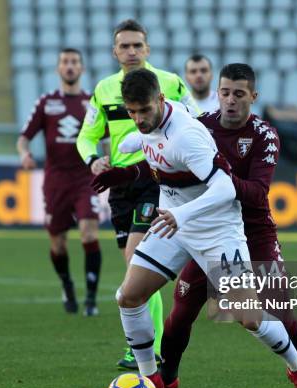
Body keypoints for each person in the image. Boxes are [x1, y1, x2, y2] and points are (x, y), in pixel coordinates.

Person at [93, 64, 297, 388]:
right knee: (128, 296)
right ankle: (151, 380)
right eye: (132, 112)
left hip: (217, 229)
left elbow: (222, 189)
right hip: (174, 224)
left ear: (160, 100)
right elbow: (156, 155)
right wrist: (125, 174)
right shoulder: (153, 124)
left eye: (144, 111)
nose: (139, 119)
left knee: (248, 316)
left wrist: (180, 213)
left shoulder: (188, 133)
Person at [76, 19, 198, 369]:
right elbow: (86, 136)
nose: (131, 51)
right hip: (120, 185)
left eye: (137, 45)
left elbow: (199, 119)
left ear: (147, 49)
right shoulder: (103, 90)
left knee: (136, 259)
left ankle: (148, 349)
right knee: (135, 266)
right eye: (124, 46)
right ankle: (150, 341)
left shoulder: (170, 83)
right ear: (114, 51)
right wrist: (92, 159)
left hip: (157, 177)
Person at [17, 48, 101, 317]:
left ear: (82, 68)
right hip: (55, 181)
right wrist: (25, 153)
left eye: (75, 62)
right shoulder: (46, 102)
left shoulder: (93, 103)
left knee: (89, 232)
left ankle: (91, 298)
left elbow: (110, 136)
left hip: (85, 178)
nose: (69, 66)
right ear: (58, 69)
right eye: (65, 62)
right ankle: (67, 284)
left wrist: (110, 159)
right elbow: (24, 137)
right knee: (58, 243)